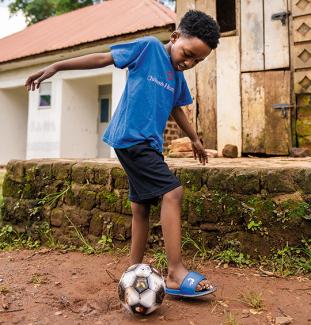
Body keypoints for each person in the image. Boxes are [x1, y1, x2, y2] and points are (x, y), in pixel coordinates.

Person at [25, 9, 220, 298]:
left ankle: (133, 269)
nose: (189, 62)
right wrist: (58, 66)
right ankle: (175, 272)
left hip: (148, 145)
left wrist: (195, 139)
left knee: (141, 207)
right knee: (173, 193)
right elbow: (105, 57)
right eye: (188, 53)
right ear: (176, 37)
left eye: (197, 61)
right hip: (131, 138)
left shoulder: (177, 77)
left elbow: (177, 108)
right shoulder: (149, 48)